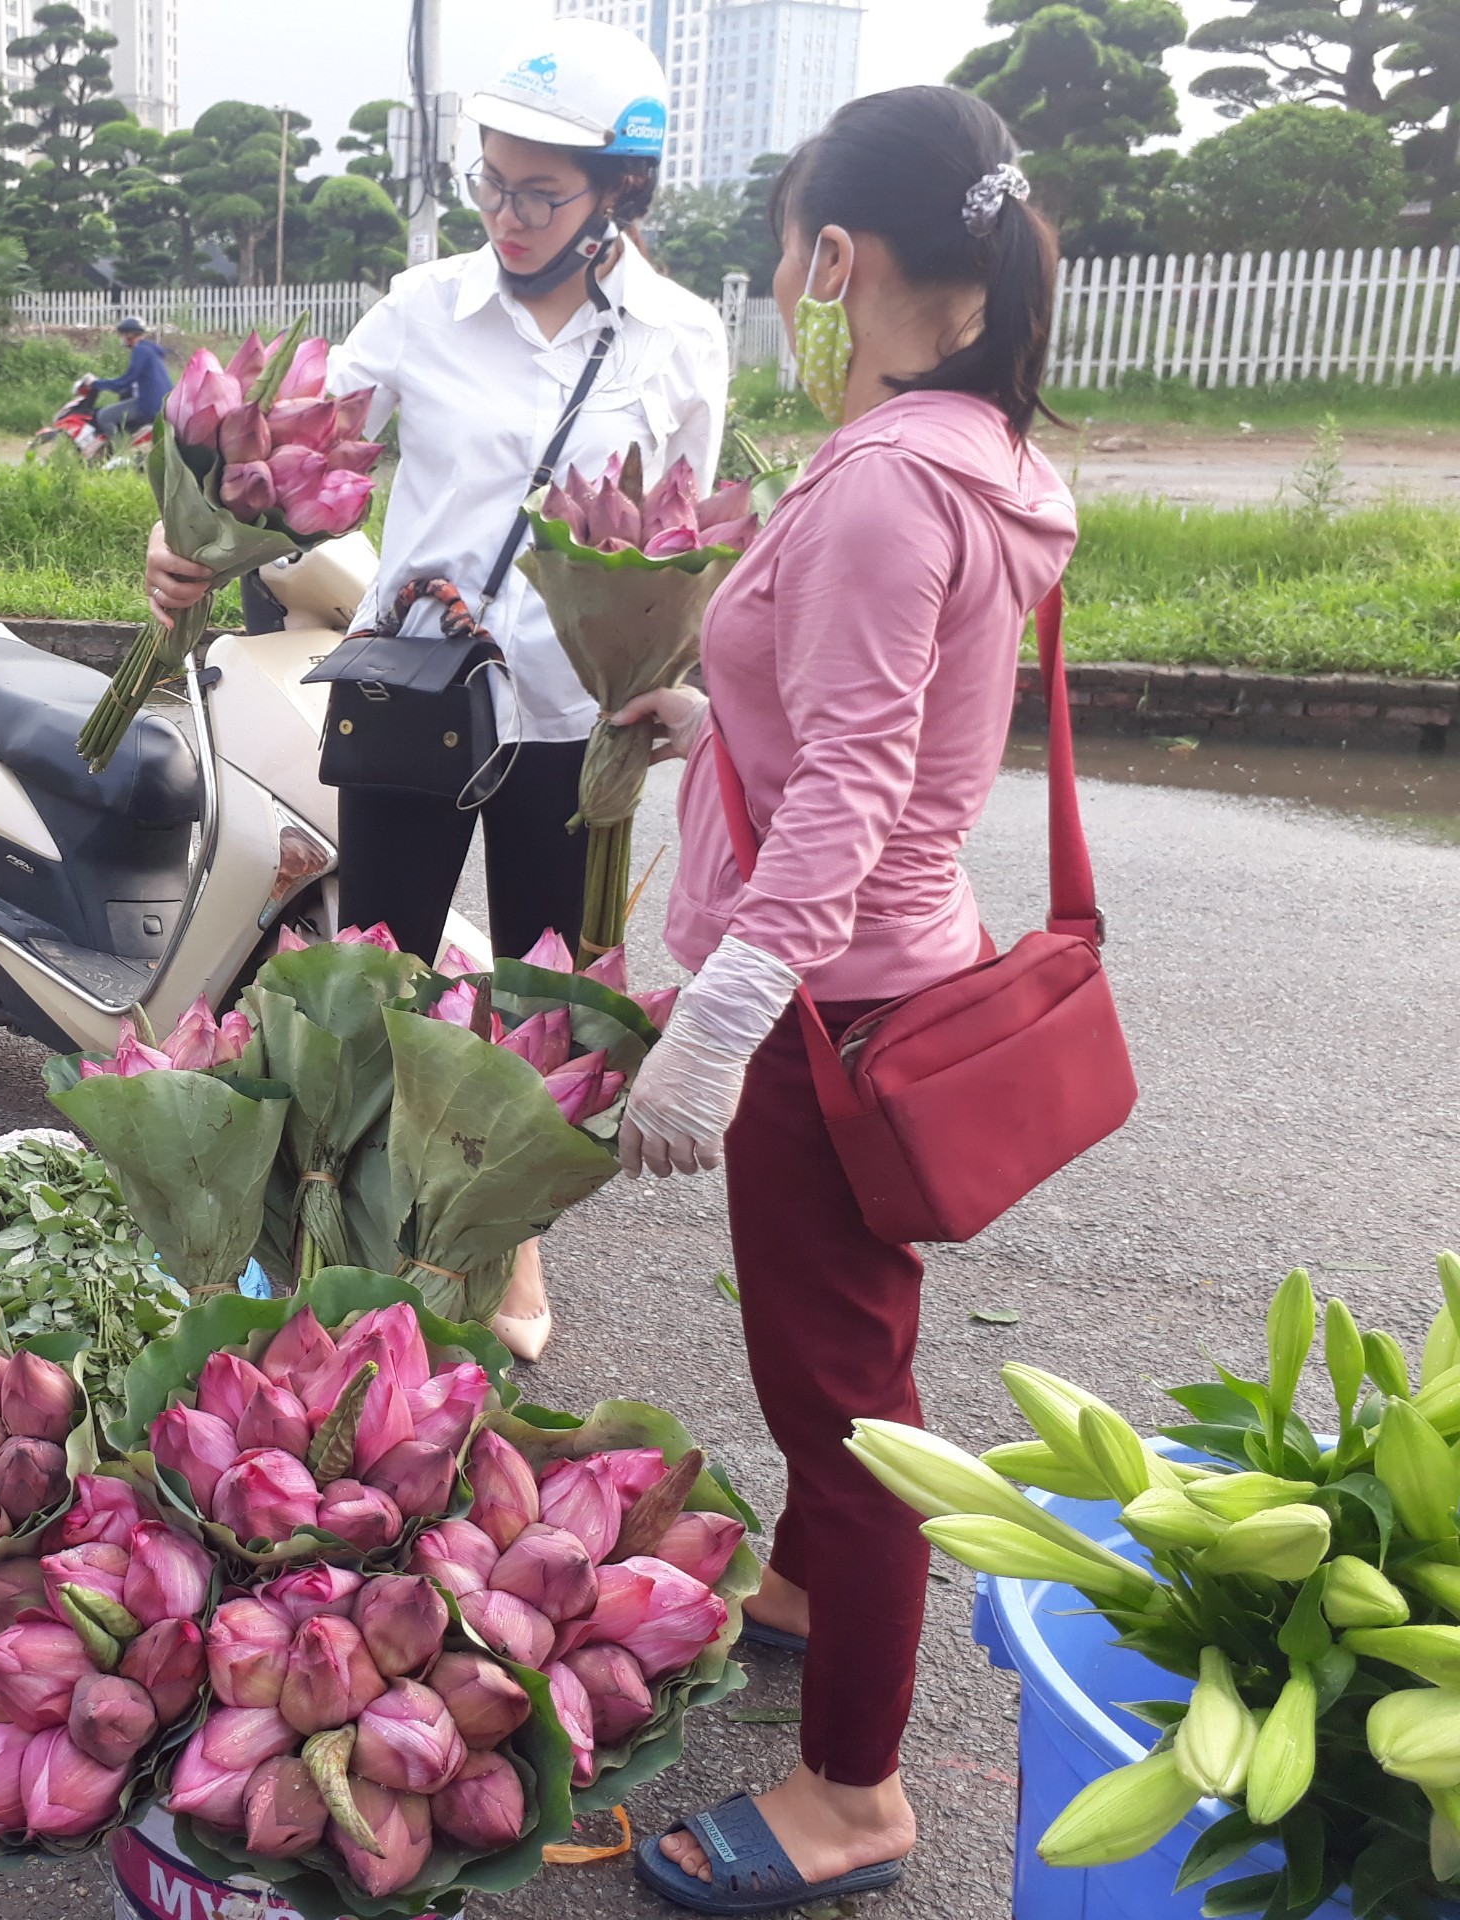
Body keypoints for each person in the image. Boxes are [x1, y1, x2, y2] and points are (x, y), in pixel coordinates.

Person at [609, 86, 1078, 1914]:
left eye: (795, 252)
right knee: (835, 1346)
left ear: (838, 257)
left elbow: (859, 788)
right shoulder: (991, 452)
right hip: (896, 968)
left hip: (830, 1006)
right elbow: (879, 713)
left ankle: (857, 1794)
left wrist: (719, 1026)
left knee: (845, 1402)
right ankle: (803, 1600)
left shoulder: (889, 479)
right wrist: (716, 717)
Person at [145, 20, 730, 1359]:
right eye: (490, 182)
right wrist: (186, 534)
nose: (507, 215)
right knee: (387, 980)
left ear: (620, 195)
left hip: (576, 728)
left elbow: (682, 532)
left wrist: (683, 678)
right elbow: (292, 462)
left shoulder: (682, 338)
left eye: (542, 192)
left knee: (549, 1000)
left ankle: (500, 1241)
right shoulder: (423, 308)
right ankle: (377, 1239)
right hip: (413, 697)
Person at [90, 316, 171, 442]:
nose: (121, 339)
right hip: (165, 405)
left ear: (130, 335)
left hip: (150, 405)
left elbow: (125, 381)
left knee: (104, 416)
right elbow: (135, 381)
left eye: (122, 335)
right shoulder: (151, 349)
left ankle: (120, 451)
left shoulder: (140, 350)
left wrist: (96, 383)